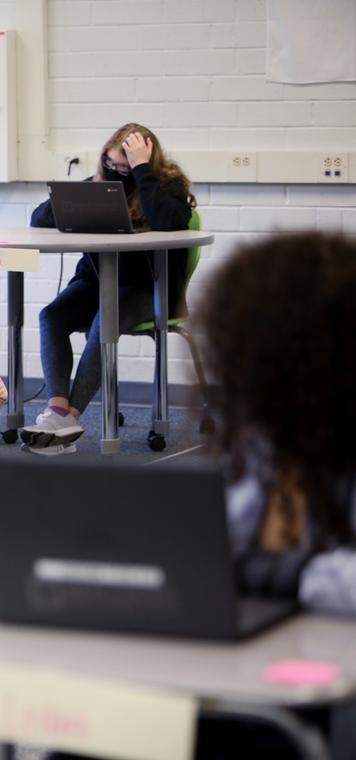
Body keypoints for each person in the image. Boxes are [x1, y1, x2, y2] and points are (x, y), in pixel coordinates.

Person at [51, 231, 356, 760]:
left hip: (323, 687)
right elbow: (239, 529)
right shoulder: (272, 442)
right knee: (93, 722)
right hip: (259, 657)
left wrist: (280, 572)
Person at [21, 123, 195, 455]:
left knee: (106, 320)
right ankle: (57, 410)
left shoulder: (166, 187)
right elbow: (38, 219)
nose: (118, 174)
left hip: (149, 290)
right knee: (51, 316)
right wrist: (81, 194)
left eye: (126, 167)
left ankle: (68, 420)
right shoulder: (102, 184)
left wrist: (141, 171)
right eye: (112, 165)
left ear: (145, 162)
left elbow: (168, 221)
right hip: (98, 283)